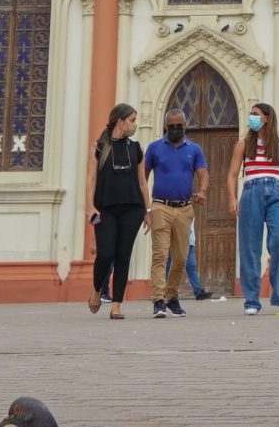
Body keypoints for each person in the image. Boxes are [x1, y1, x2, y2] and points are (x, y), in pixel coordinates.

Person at [143, 113, 208, 320]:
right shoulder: (154, 148)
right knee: (160, 255)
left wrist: (203, 191)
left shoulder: (194, 149)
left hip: (184, 209)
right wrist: (145, 208)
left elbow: (203, 174)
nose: (176, 129)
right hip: (161, 206)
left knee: (180, 257)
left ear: (185, 125)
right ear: (165, 126)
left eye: (179, 125)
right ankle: (158, 300)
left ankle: (172, 296)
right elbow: (142, 178)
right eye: (171, 126)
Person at [233, 101, 279, 314]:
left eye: (256, 114)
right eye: (251, 114)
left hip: (276, 192)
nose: (252, 117)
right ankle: (251, 301)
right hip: (251, 191)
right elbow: (232, 174)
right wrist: (232, 199)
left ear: (267, 118)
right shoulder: (243, 144)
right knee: (250, 247)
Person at [88, 103, 147, 319]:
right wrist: (90, 207)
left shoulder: (136, 148)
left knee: (123, 256)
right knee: (105, 254)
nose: (134, 124)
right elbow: (92, 178)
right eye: (132, 120)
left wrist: (147, 210)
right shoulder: (99, 147)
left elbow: (142, 183)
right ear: (120, 121)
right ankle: (97, 289)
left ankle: (116, 306)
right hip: (105, 208)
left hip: (132, 208)